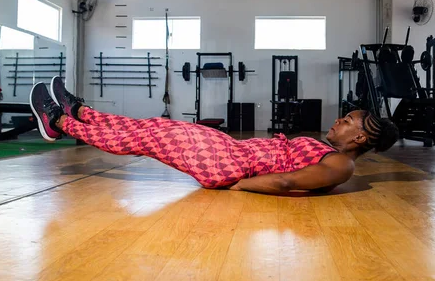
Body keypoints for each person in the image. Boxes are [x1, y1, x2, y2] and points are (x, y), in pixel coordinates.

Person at [30, 76, 399, 195]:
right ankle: (79, 112)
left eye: (349, 120)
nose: (339, 120)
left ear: (361, 138)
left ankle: (59, 124)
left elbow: (288, 182)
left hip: (230, 163)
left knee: (144, 138)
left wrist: (238, 185)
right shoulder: (328, 147)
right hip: (231, 151)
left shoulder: (341, 165)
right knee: (152, 128)